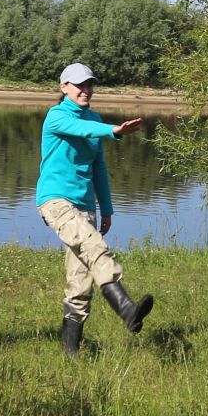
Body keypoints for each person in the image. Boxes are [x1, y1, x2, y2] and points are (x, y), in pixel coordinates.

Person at [38, 62, 153, 356]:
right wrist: (113, 130)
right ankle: (125, 307)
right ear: (64, 88)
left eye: (89, 85)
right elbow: (80, 127)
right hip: (56, 201)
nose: (85, 90)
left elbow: (98, 167)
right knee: (94, 246)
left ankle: (70, 354)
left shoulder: (95, 118)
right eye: (79, 85)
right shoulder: (56, 116)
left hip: (86, 204)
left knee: (80, 282)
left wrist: (107, 209)